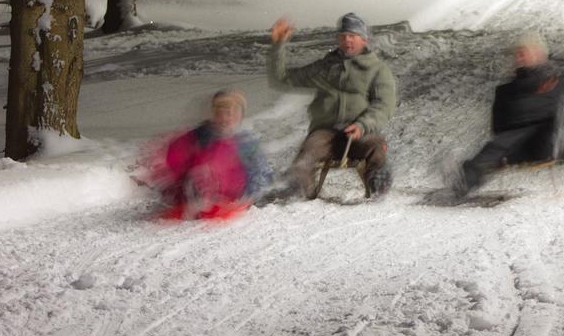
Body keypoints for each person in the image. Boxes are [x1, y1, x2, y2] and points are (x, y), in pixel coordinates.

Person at [268, 12, 397, 199]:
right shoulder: (325, 67)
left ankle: (379, 185)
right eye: (342, 36)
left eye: (352, 36)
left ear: (363, 39)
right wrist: (277, 46)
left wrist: (362, 125)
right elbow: (282, 78)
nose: (347, 40)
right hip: (325, 133)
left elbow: (384, 105)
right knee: (307, 154)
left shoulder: (377, 69)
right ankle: (300, 190)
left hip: (360, 132)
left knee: (375, 148)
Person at [452, 32, 564, 197]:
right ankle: (467, 176)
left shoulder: (554, 82)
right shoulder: (506, 90)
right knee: (504, 140)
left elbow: (546, 111)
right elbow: (498, 124)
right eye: (517, 53)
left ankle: (467, 177)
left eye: (524, 52)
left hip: (545, 143)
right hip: (513, 148)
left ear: (538, 54)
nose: (519, 57)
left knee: (524, 129)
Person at [146, 89, 272, 219]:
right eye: (220, 112)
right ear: (214, 114)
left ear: (240, 116)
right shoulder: (199, 136)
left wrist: (248, 194)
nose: (226, 117)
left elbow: (261, 173)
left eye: (233, 112)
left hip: (230, 197)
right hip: (195, 195)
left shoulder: (246, 143)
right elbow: (175, 157)